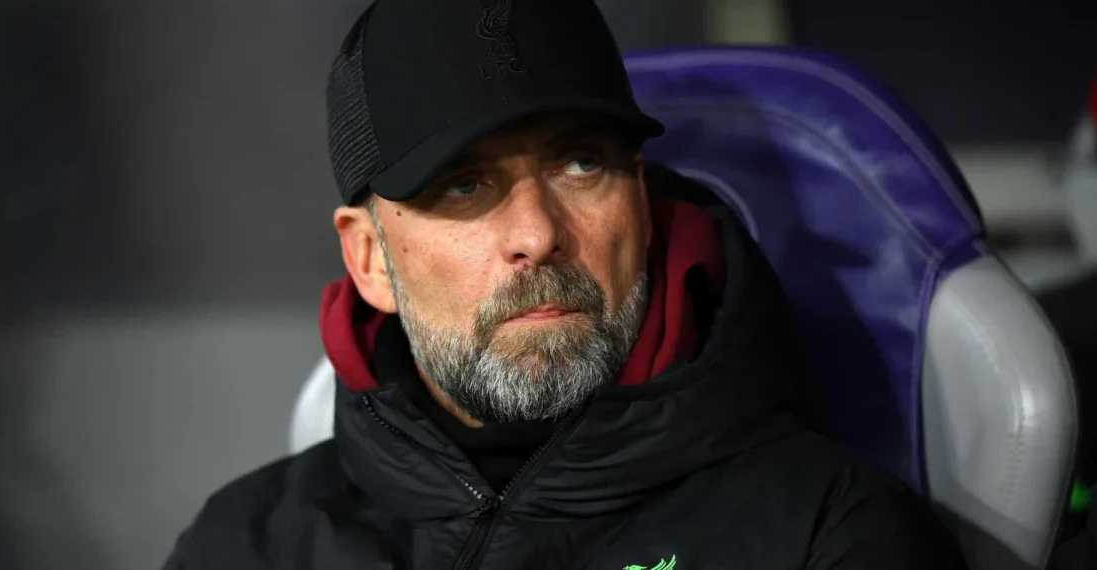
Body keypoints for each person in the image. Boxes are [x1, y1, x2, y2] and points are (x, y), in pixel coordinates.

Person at [164, 0, 967, 568]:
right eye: (464, 185)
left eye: (581, 163)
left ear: (643, 205)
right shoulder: (245, 543)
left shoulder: (829, 532)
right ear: (372, 261)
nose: (538, 234)